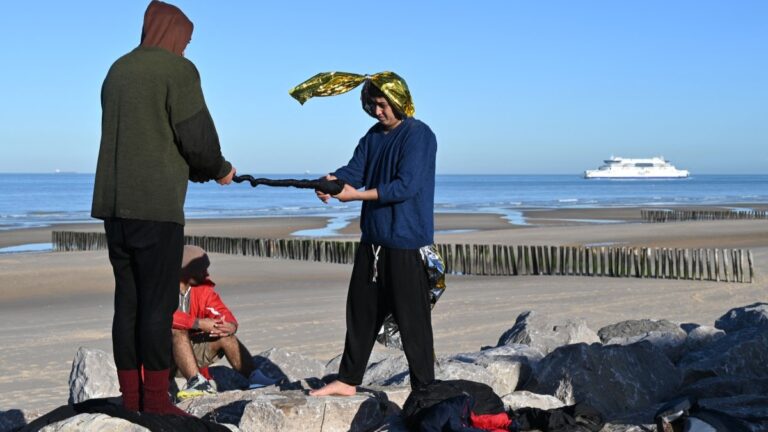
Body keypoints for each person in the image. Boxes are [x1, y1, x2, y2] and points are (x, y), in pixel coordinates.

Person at [91, 1, 236, 415]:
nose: (186, 50)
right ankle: (155, 402)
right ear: (174, 34)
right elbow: (197, 139)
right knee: (157, 306)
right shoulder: (177, 71)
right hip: (156, 208)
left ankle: (131, 397)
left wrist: (195, 166)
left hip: (114, 207)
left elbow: (147, 136)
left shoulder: (117, 70)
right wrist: (218, 169)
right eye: (185, 42)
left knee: (128, 304)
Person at [289, 71, 438, 396]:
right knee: (360, 312)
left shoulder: (419, 135)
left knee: (413, 322)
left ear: (399, 100)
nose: (377, 112)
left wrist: (355, 195)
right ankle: (347, 379)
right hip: (373, 242)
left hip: (407, 243)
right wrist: (331, 181)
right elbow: (354, 171)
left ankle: (425, 390)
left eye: (383, 105)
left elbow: (405, 186)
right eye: (372, 106)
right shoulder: (372, 137)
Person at [172, 245, 255, 399]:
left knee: (226, 336)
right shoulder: (162, 287)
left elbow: (222, 312)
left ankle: (255, 377)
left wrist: (230, 326)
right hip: (161, 356)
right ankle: (197, 383)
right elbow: (161, 316)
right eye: (202, 269)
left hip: (190, 354)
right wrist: (198, 323)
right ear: (186, 270)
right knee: (177, 330)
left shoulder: (202, 289)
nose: (207, 273)